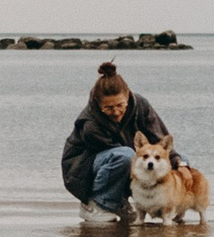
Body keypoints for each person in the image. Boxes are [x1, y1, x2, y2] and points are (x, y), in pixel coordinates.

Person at [61, 62, 173, 222]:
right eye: (108, 108)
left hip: (119, 161)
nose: (116, 112)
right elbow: (127, 160)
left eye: (120, 105)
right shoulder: (90, 125)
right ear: (98, 104)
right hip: (81, 171)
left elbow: (159, 138)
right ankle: (96, 204)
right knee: (126, 157)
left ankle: (122, 203)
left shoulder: (141, 105)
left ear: (127, 95)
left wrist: (180, 163)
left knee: (174, 159)